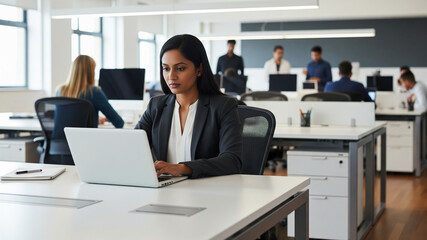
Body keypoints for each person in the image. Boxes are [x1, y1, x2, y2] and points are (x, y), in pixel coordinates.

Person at [135, 34, 242, 179]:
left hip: (208, 192)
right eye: (166, 69)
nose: (171, 76)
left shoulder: (223, 106)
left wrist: (182, 168)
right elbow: (132, 148)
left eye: (180, 68)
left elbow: (232, 161)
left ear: (199, 69)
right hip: (164, 191)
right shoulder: (156, 106)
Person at [57, 55, 124, 128]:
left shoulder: (60, 90)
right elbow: (118, 122)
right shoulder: (94, 92)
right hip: (84, 139)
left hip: (57, 139)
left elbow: (68, 118)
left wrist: (93, 119)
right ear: (90, 72)